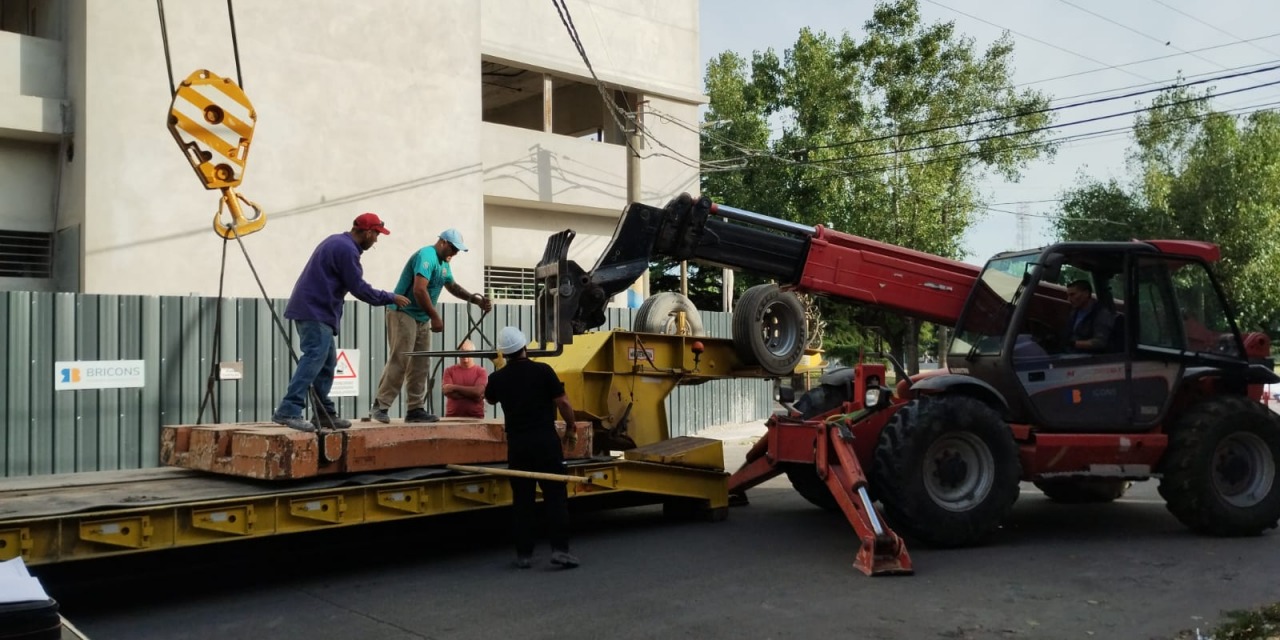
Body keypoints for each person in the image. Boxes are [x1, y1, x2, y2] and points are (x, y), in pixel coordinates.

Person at [272, 213, 410, 432]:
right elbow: (359, 288)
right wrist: (390, 297)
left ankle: (323, 413)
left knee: (327, 364)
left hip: (317, 310)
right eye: (376, 235)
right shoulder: (346, 250)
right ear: (367, 232)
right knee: (313, 358)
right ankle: (289, 410)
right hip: (315, 310)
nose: (376, 240)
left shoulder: (337, 241)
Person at [371, 229, 492, 424]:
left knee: (421, 363)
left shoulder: (445, 263)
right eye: (453, 248)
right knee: (401, 358)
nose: (455, 253)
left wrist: (475, 300)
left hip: (421, 317)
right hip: (403, 311)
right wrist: (435, 316)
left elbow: (452, 286)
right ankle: (381, 406)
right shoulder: (427, 255)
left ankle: (415, 409)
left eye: (458, 250)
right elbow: (419, 289)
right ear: (443, 242)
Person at [485, 326, 580, 570]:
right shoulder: (543, 370)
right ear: (525, 347)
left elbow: (491, 398)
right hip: (545, 442)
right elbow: (563, 402)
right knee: (555, 497)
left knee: (523, 500)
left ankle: (524, 554)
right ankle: (560, 550)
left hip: (518, 445)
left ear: (504, 354)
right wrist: (571, 426)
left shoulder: (498, 378)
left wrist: (499, 371)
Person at [1063, 279, 1115, 353]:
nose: (1069, 299)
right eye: (1068, 295)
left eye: (1072, 295)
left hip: (1089, 357)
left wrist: (1073, 343)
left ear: (1086, 293)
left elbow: (1100, 342)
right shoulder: (1074, 312)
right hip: (1069, 352)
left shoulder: (1101, 314)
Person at [443, 339, 488, 418]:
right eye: (462, 351)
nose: (464, 354)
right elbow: (446, 390)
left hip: (476, 417)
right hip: (452, 417)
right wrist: (472, 395)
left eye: (468, 351)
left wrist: (454, 387)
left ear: (474, 353)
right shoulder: (449, 371)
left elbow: (477, 392)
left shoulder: (481, 371)